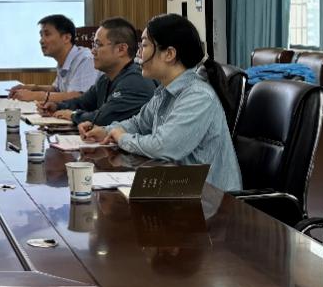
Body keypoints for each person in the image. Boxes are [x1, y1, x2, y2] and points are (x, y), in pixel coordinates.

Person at [80, 13, 241, 191]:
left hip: (212, 198)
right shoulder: (165, 91)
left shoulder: (198, 96)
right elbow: (138, 124)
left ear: (169, 54)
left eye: (144, 45)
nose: (138, 54)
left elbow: (164, 147)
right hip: (178, 188)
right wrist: (106, 131)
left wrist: (122, 138)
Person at [41, 17, 156, 126]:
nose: (93, 51)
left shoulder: (135, 80)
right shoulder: (106, 79)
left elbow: (104, 118)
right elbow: (83, 102)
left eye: (98, 45)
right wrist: (57, 106)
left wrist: (73, 115)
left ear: (121, 49)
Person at [9, 14, 100, 104]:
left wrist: (35, 95)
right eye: (41, 35)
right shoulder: (63, 60)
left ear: (66, 38)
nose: (41, 40)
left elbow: (80, 97)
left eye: (47, 34)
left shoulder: (86, 60)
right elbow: (57, 89)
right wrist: (33, 88)